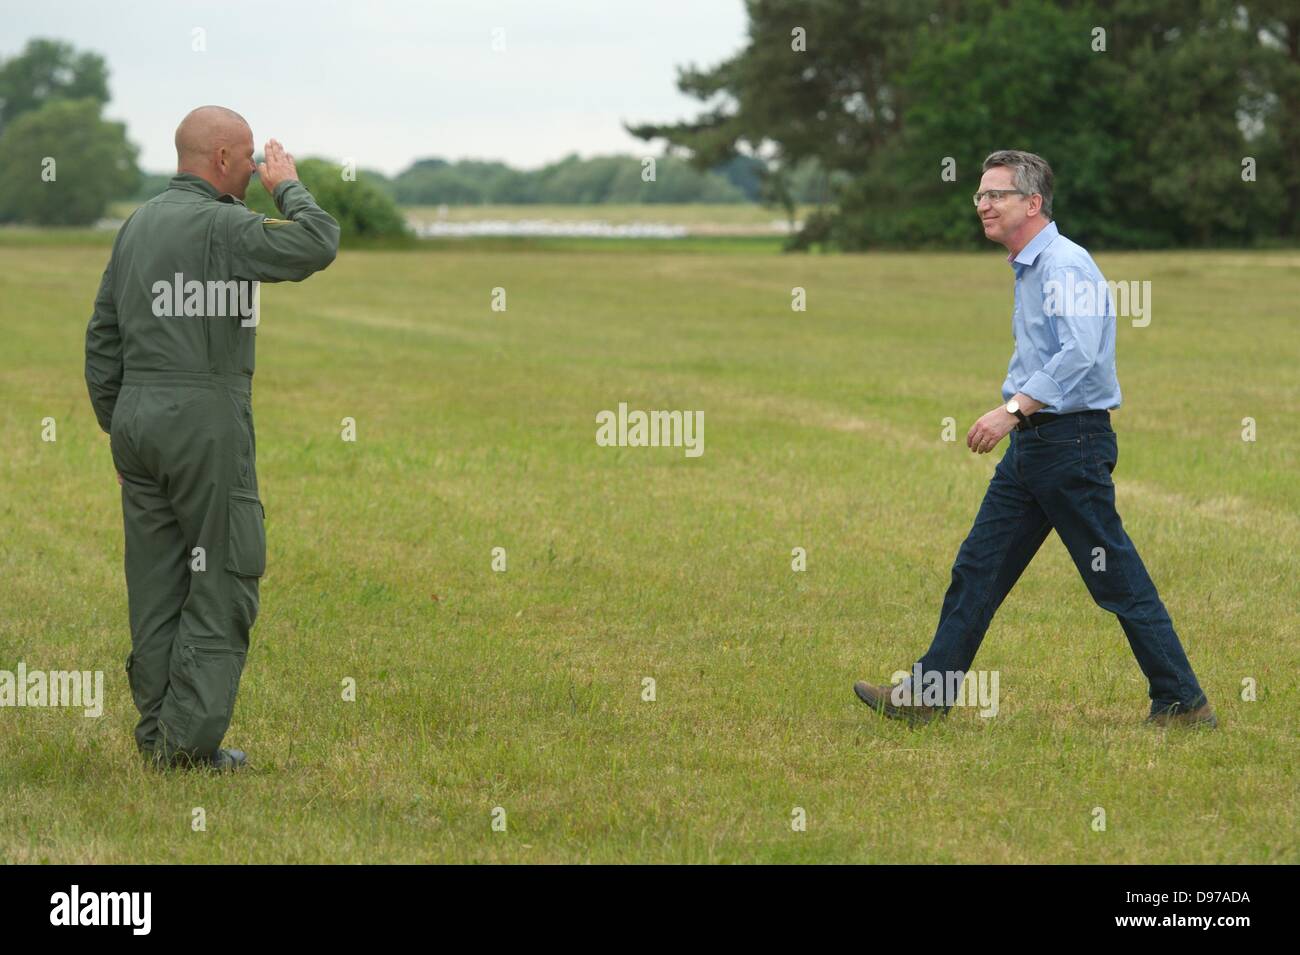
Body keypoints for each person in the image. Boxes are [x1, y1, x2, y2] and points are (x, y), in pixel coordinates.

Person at [854, 149, 1215, 729]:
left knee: (1114, 578)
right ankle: (926, 695)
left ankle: (1181, 702)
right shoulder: (1029, 266)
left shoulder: (1064, 266)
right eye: (979, 194)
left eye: (995, 194)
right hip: (1037, 447)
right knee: (979, 567)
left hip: (1068, 445)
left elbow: (1082, 352)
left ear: (1032, 202)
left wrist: (1013, 410)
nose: (982, 205)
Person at [84, 105, 340, 769]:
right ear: (222, 160)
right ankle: (188, 749)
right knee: (224, 573)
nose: (257, 170)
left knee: (158, 581)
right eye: (252, 158)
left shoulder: (135, 225)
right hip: (203, 422)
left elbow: (102, 334)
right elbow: (316, 241)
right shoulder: (223, 225)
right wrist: (291, 186)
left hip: (138, 422)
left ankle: (157, 735)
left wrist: (119, 425)